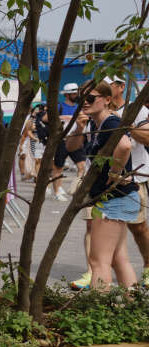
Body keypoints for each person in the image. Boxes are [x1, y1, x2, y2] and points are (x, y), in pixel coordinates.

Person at [64, 81, 139, 288]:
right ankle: (130, 306)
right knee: (117, 259)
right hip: (117, 197)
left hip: (113, 198)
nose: (84, 103)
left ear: (107, 99)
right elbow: (71, 147)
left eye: (90, 98)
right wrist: (78, 127)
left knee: (98, 262)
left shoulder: (110, 123)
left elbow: (124, 145)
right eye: (80, 98)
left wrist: (115, 172)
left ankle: (99, 309)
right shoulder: (92, 123)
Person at [51, 83, 88, 201]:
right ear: (67, 95)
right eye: (73, 93)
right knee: (58, 167)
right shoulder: (59, 106)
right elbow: (46, 118)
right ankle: (57, 192)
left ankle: (77, 189)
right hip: (62, 140)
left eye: (76, 92)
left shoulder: (80, 107)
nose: (76, 95)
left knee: (82, 166)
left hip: (76, 139)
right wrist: (64, 117)